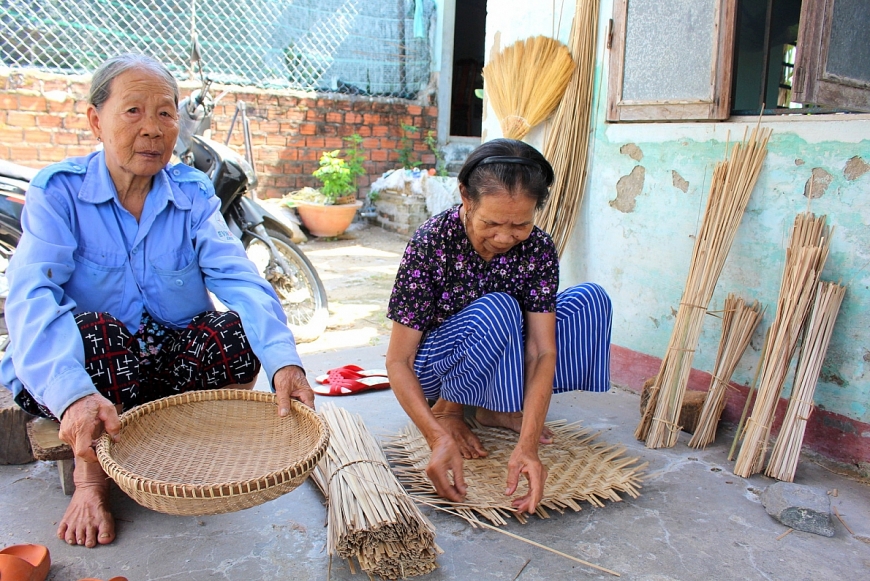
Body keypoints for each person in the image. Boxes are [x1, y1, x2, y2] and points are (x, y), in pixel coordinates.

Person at [0, 54, 315, 548]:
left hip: (160, 367)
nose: (152, 129)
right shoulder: (58, 192)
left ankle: (185, 442)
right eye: (133, 111)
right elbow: (32, 296)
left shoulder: (191, 192)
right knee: (97, 333)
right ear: (95, 120)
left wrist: (284, 363)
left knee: (234, 335)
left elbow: (240, 279)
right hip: (87, 372)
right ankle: (90, 480)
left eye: (165, 113)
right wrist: (73, 396)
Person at [385, 138, 612, 515]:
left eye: (520, 224)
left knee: (590, 302)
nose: (505, 237)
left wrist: (528, 448)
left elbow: (543, 350)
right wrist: (437, 435)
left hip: (500, 353)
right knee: (500, 307)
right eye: (491, 222)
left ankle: (494, 407)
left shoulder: (538, 248)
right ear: (465, 198)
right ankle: (450, 407)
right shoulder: (431, 243)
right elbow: (398, 361)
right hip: (436, 368)